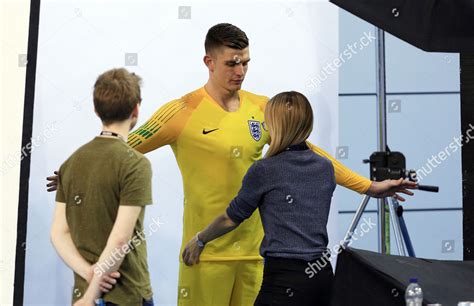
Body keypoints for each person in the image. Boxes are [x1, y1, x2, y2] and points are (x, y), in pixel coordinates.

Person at [48, 24, 416, 306]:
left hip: (259, 258)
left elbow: (311, 154)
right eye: (231, 63)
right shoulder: (182, 111)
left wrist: (369, 187)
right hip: (204, 256)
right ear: (209, 62)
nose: (240, 71)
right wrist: (73, 172)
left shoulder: (262, 106)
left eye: (245, 62)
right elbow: (123, 144)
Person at [181, 91, 416, 305]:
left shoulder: (264, 170)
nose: (265, 126)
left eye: (268, 121)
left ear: (277, 125)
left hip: (284, 280)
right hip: (323, 277)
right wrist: (373, 187)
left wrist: (200, 239)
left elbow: (231, 218)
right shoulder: (325, 168)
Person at [50, 68, 154, 306]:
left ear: (96, 109)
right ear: (137, 108)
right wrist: (92, 295)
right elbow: (119, 240)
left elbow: (58, 232)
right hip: (125, 295)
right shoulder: (136, 164)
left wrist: (89, 275)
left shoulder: (71, 163)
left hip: (84, 291)